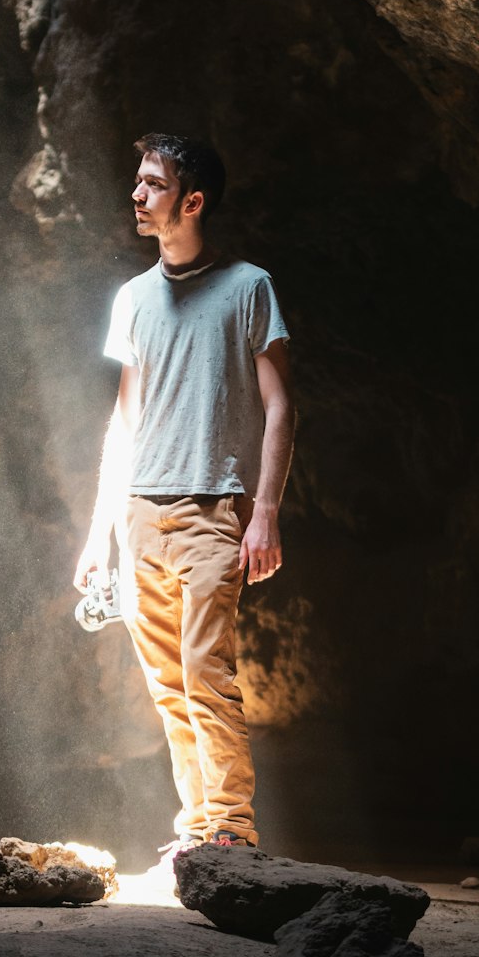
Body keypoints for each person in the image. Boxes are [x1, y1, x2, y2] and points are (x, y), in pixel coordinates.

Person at [73, 132, 295, 873]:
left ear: (192, 200)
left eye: (152, 184)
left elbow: (280, 407)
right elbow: (124, 420)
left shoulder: (248, 287)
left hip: (212, 510)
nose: (136, 195)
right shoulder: (133, 298)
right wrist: (98, 536)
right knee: (170, 690)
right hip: (140, 515)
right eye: (137, 182)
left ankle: (231, 830)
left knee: (209, 677)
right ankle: (198, 828)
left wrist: (264, 511)